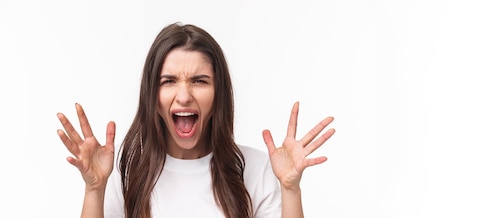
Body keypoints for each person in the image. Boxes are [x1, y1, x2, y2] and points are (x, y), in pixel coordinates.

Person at [56, 22, 335, 218]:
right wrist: (94, 190)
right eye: (169, 81)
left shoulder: (258, 169)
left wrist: (290, 190)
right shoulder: (124, 173)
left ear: (218, 96)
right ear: (152, 97)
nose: (184, 95)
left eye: (199, 81)